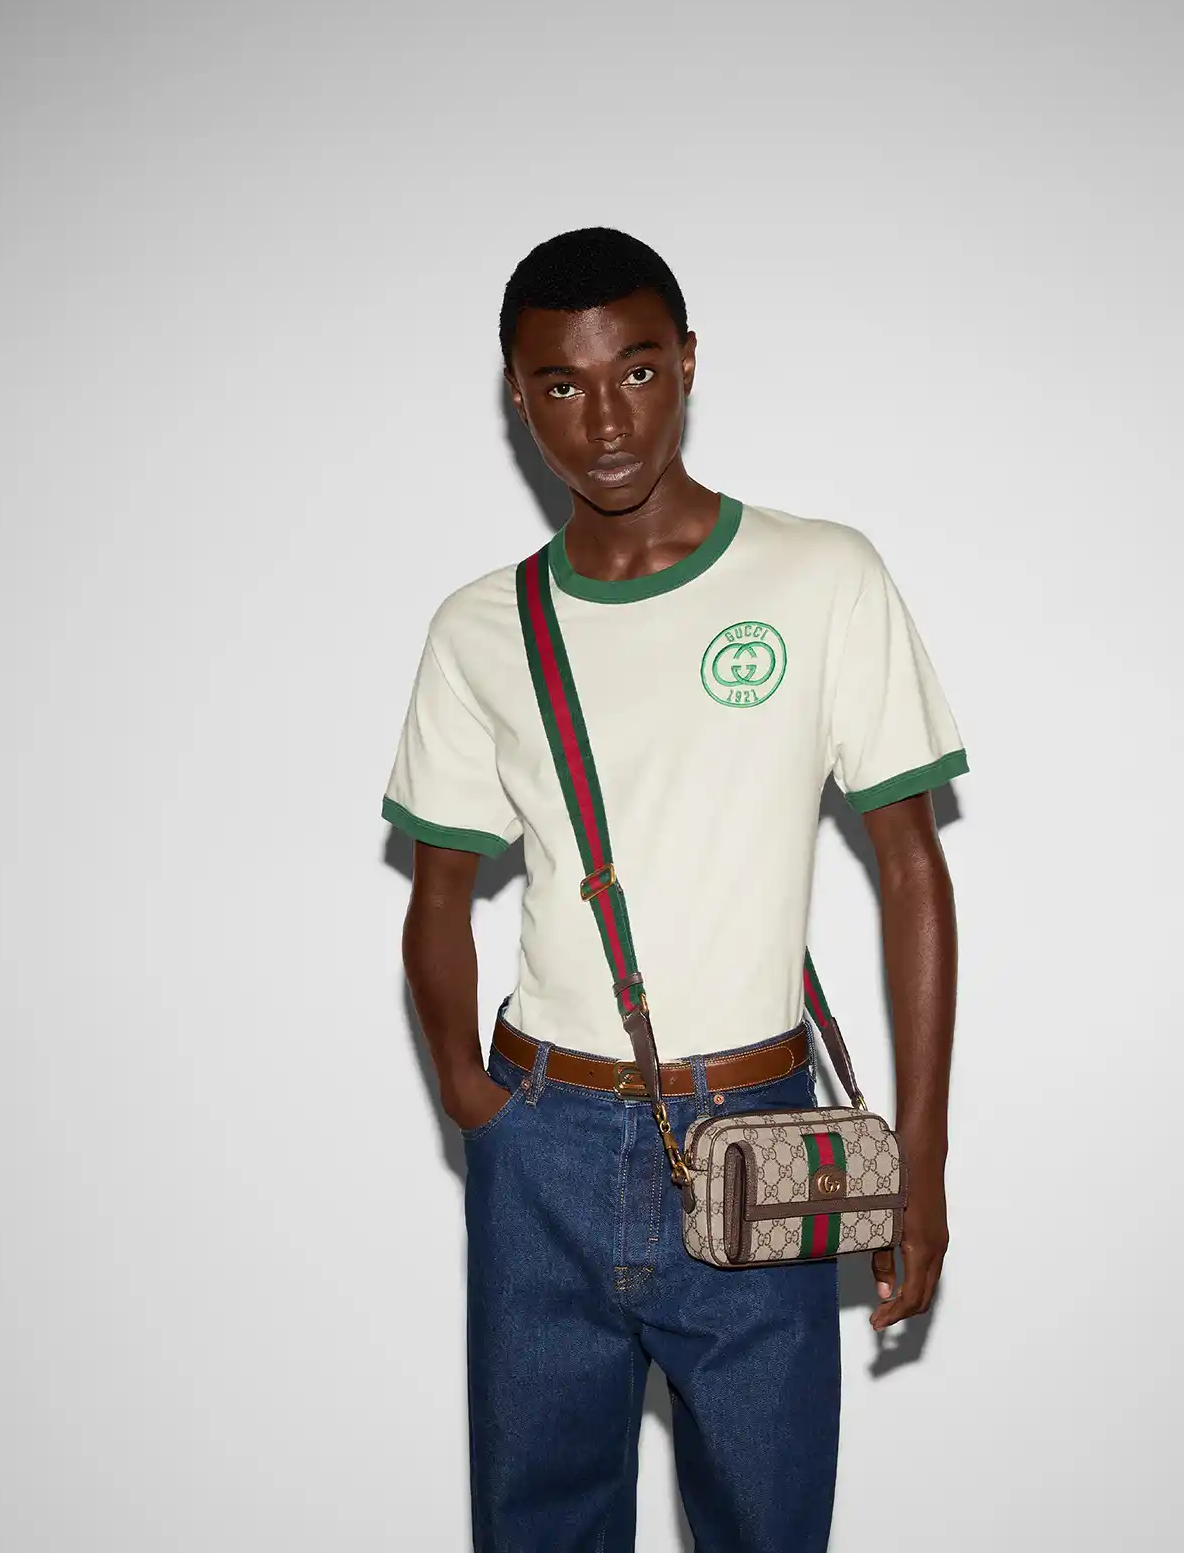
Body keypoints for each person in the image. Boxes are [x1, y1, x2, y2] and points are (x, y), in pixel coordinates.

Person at [383, 226, 963, 1552]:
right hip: (543, 1140)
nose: (605, 422)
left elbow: (912, 867)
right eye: (563, 384)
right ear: (518, 394)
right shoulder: (481, 628)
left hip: (758, 1134)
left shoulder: (821, 577)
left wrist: (919, 1167)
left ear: (688, 364)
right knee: (537, 1528)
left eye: (637, 371)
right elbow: (437, 892)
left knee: (768, 1525)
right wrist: (476, 1103)